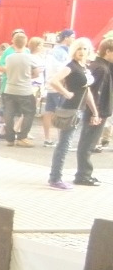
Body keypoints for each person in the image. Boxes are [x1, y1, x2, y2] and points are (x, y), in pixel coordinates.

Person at [47, 38, 99, 189]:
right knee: (64, 144)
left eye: (84, 49)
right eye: (79, 48)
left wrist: (94, 111)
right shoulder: (71, 66)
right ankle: (55, 178)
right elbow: (54, 80)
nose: (81, 52)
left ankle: (56, 177)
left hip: (79, 109)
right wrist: (66, 92)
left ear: (89, 51)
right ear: (74, 51)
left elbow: (86, 91)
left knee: (66, 143)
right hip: (70, 109)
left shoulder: (83, 67)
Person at [74, 37, 113, 185]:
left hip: (97, 110)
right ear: (107, 51)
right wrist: (95, 113)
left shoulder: (100, 66)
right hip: (97, 111)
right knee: (88, 143)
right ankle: (83, 175)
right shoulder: (101, 68)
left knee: (88, 142)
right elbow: (96, 93)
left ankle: (84, 173)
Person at [0, 32, 38, 146]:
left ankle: (10, 139)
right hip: (25, 90)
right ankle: (22, 137)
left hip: (9, 89)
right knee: (29, 113)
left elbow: (4, 68)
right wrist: (29, 76)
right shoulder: (30, 57)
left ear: (13, 43)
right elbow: (37, 73)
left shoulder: (9, 58)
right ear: (26, 43)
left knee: (8, 114)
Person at [41, 29, 75, 148]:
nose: (73, 39)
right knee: (62, 113)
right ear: (66, 37)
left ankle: (48, 138)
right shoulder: (63, 52)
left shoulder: (53, 51)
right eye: (72, 37)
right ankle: (62, 140)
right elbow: (62, 69)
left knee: (49, 111)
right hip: (59, 86)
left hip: (51, 85)